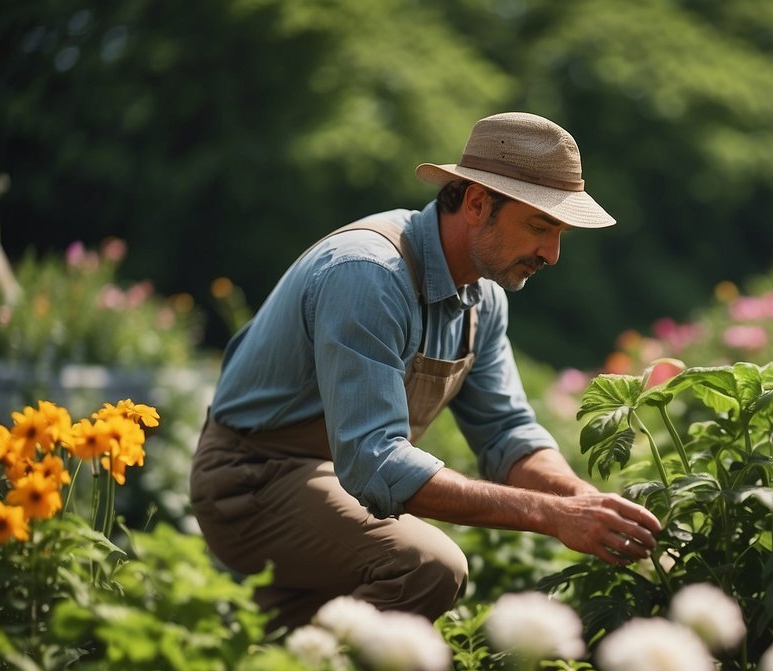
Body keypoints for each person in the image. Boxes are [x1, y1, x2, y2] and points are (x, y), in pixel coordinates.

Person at [190, 112, 661, 632]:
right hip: (252, 479)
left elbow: (506, 432)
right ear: (478, 202)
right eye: (539, 226)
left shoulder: (483, 296)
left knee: (275, 656)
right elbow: (376, 465)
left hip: (333, 484)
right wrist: (549, 516)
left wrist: (579, 498)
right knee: (426, 566)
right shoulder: (370, 274)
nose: (552, 253)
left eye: (559, 233)